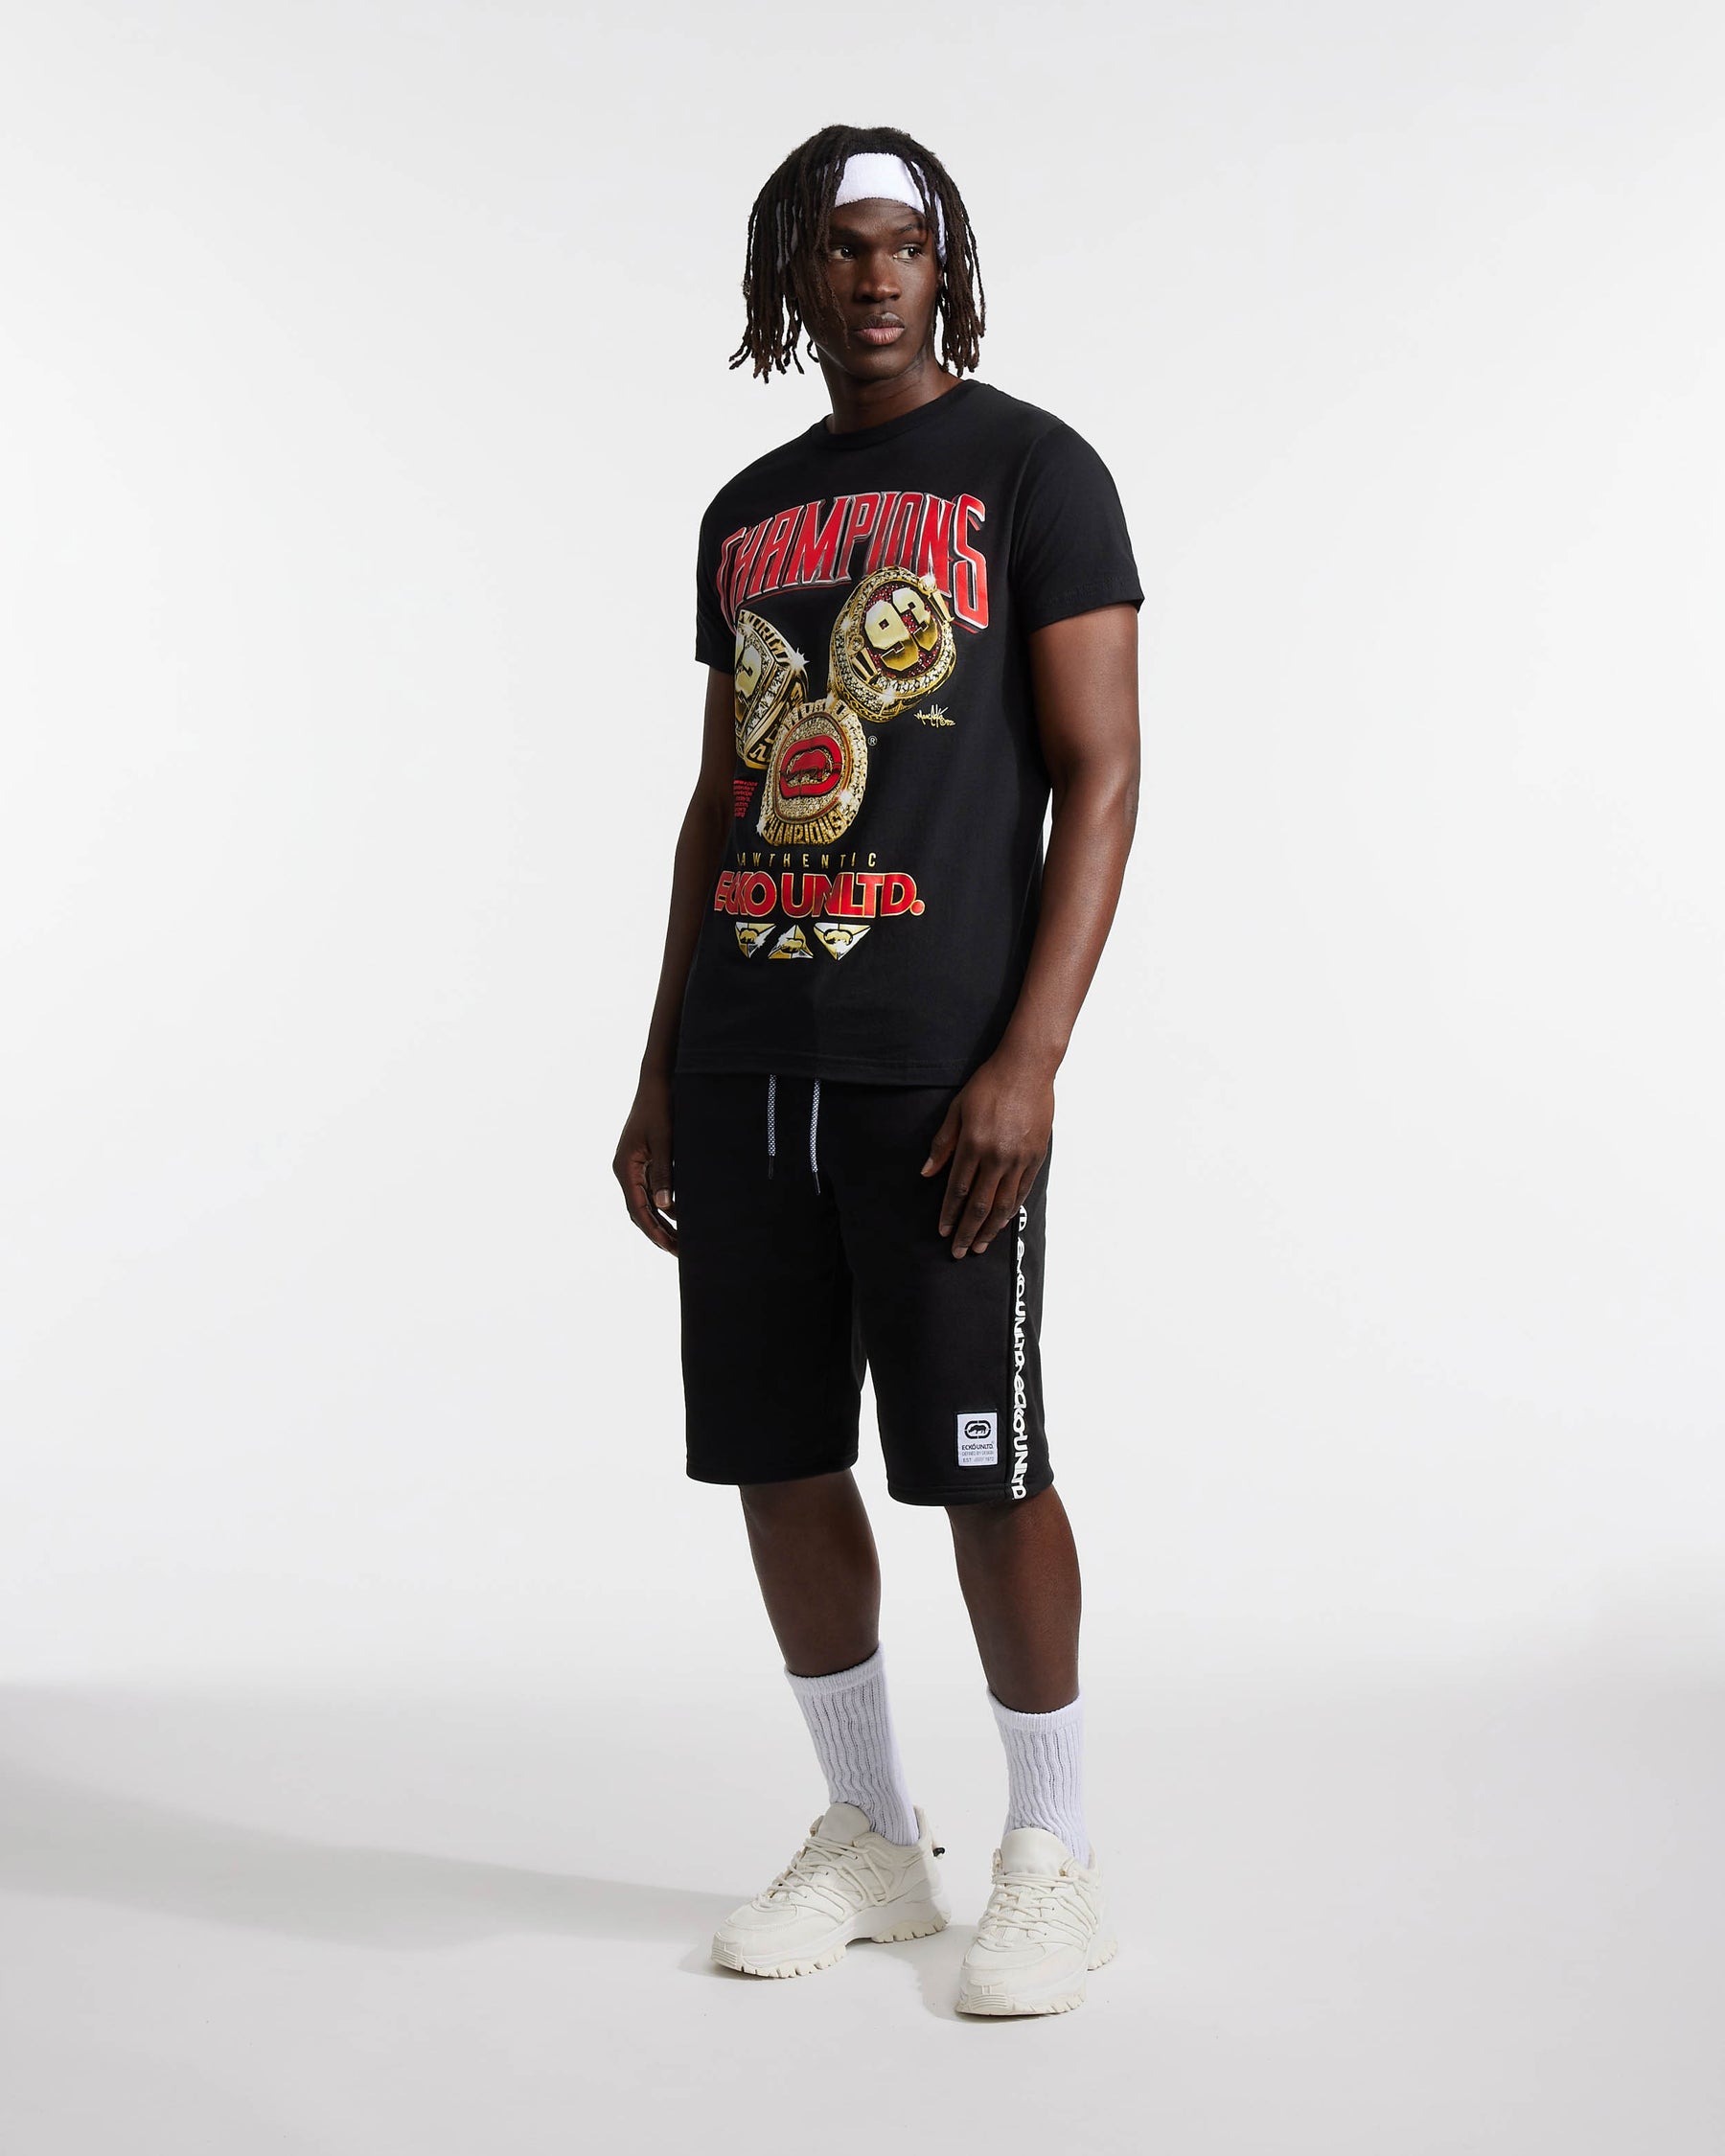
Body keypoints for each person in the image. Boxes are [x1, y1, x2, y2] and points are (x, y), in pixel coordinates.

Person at [611, 124, 1141, 2017]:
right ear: (795, 276)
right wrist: (661, 1067)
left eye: (902, 243)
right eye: (837, 248)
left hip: (940, 1067)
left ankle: (1051, 1851)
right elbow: (721, 797)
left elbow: (1103, 771)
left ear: (948, 266)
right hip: (751, 1054)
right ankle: (870, 1838)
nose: (871, 275)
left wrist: (1032, 1057)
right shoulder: (747, 509)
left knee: (984, 1465)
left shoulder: (1035, 472)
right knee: (777, 1452)